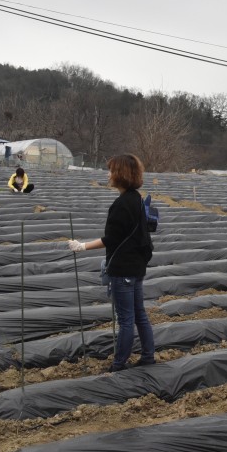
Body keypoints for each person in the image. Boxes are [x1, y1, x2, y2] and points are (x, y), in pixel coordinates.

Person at [68, 154, 155, 371]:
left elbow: (111, 240)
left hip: (123, 269)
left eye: (111, 171)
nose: (108, 175)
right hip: (136, 268)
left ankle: (118, 364)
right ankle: (148, 356)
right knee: (139, 315)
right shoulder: (137, 198)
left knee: (126, 319)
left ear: (120, 174)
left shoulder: (121, 205)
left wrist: (82, 246)